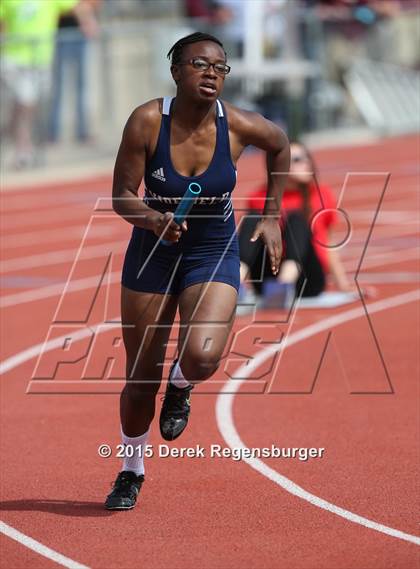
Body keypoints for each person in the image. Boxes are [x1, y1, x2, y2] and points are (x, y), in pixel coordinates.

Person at [105, 31, 289, 510]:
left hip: (211, 248)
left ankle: (182, 384)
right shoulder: (148, 121)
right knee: (140, 377)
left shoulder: (239, 125)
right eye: (200, 64)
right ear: (176, 71)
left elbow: (281, 144)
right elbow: (121, 195)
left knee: (205, 355)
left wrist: (270, 215)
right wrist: (152, 219)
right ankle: (130, 469)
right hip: (152, 251)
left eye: (220, 67)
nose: (211, 73)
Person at [238, 141, 358, 308]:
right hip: (268, 275)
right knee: (253, 219)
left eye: (306, 157)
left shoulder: (321, 194)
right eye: (296, 160)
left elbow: (328, 244)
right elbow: (251, 244)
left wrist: (343, 285)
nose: (306, 163)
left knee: (296, 219)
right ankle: (233, 284)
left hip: (307, 278)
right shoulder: (258, 197)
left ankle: (283, 285)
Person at [0, 0, 96, 168]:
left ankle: (18, 139)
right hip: (14, 59)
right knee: (25, 101)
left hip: (41, 60)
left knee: (29, 106)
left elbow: (77, 7)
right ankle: (23, 148)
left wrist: (87, 22)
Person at [48, 0, 99, 143]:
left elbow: (93, 4)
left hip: (80, 36)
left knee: (82, 87)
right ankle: (53, 132)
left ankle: (82, 131)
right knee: (57, 87)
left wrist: (83, 11)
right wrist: (80, 11)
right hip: (59, 35)